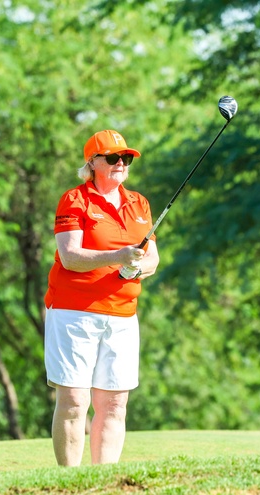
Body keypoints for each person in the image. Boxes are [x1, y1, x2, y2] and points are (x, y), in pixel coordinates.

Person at [44, 129, 159, 466]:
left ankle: (103, 482)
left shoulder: (139, 203)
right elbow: (70, 256)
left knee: (114, 404)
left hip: (123, 315)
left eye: (126, 158)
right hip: (74, 312)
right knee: (74, 400)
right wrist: (118, 257)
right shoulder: (74, 200)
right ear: (92, 163)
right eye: (112, 157)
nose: (120, 163)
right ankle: (69, 482)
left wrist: (135, 269)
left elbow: (152, 259)